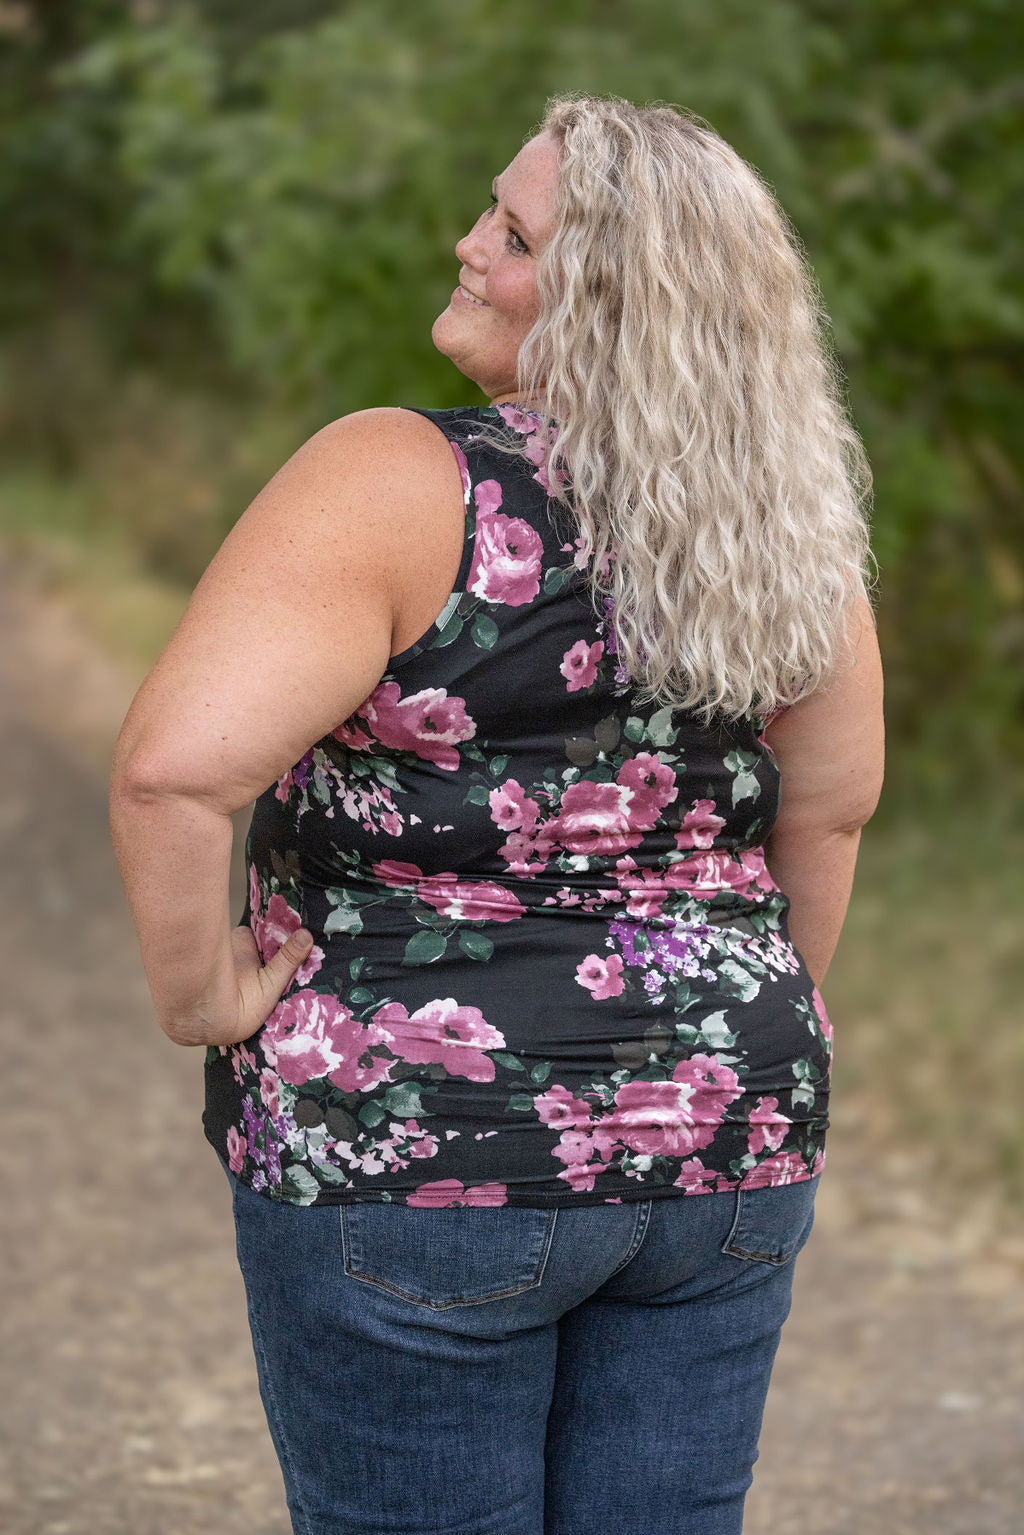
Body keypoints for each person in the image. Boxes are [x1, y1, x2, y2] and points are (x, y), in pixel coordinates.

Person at [110, 93, 884, 1535]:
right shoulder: (792, 516)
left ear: (609, 300)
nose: (467, 247)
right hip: (726, 1150)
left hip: (415, 1156)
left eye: (514, 236)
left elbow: (174, 771)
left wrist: (201, 994)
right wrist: (730, 1025)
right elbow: (828, 817)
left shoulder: (400, 480)